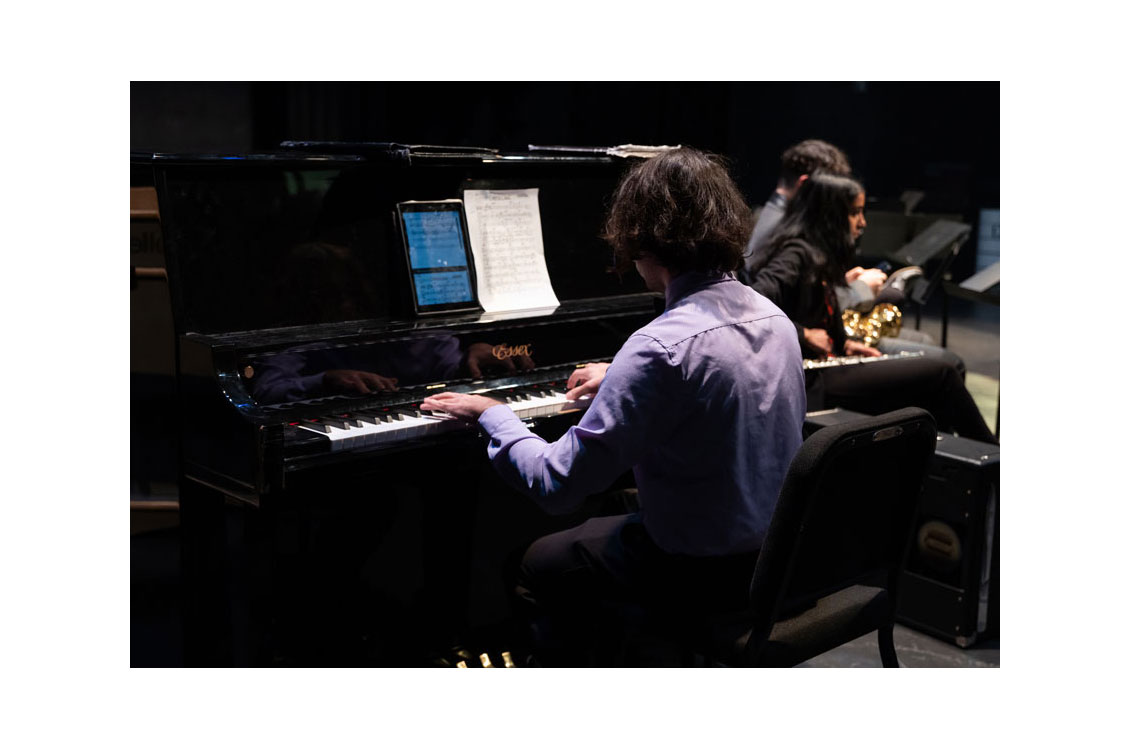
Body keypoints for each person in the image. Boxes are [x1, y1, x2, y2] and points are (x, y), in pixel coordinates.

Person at [420, 147, 807, 665]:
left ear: (643, 236)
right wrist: (619, 375)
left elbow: (558, 486)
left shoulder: (659, 347)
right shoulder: (773, 318)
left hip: (699, 573)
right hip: (773, 561)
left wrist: (493, 413)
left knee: (536, 562)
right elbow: (705, 378)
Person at [748, 170, 996, 443]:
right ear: (830, 215)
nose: (862, 222)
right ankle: (994, 464)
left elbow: (819, 312)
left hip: (828, 366)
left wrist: (846, 343)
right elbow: (754, 303)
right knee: (943, 374)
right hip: (810, 378)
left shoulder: (816, 252)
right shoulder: (795, 253)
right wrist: (803, 334)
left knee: (932, 383)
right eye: (855, 213)